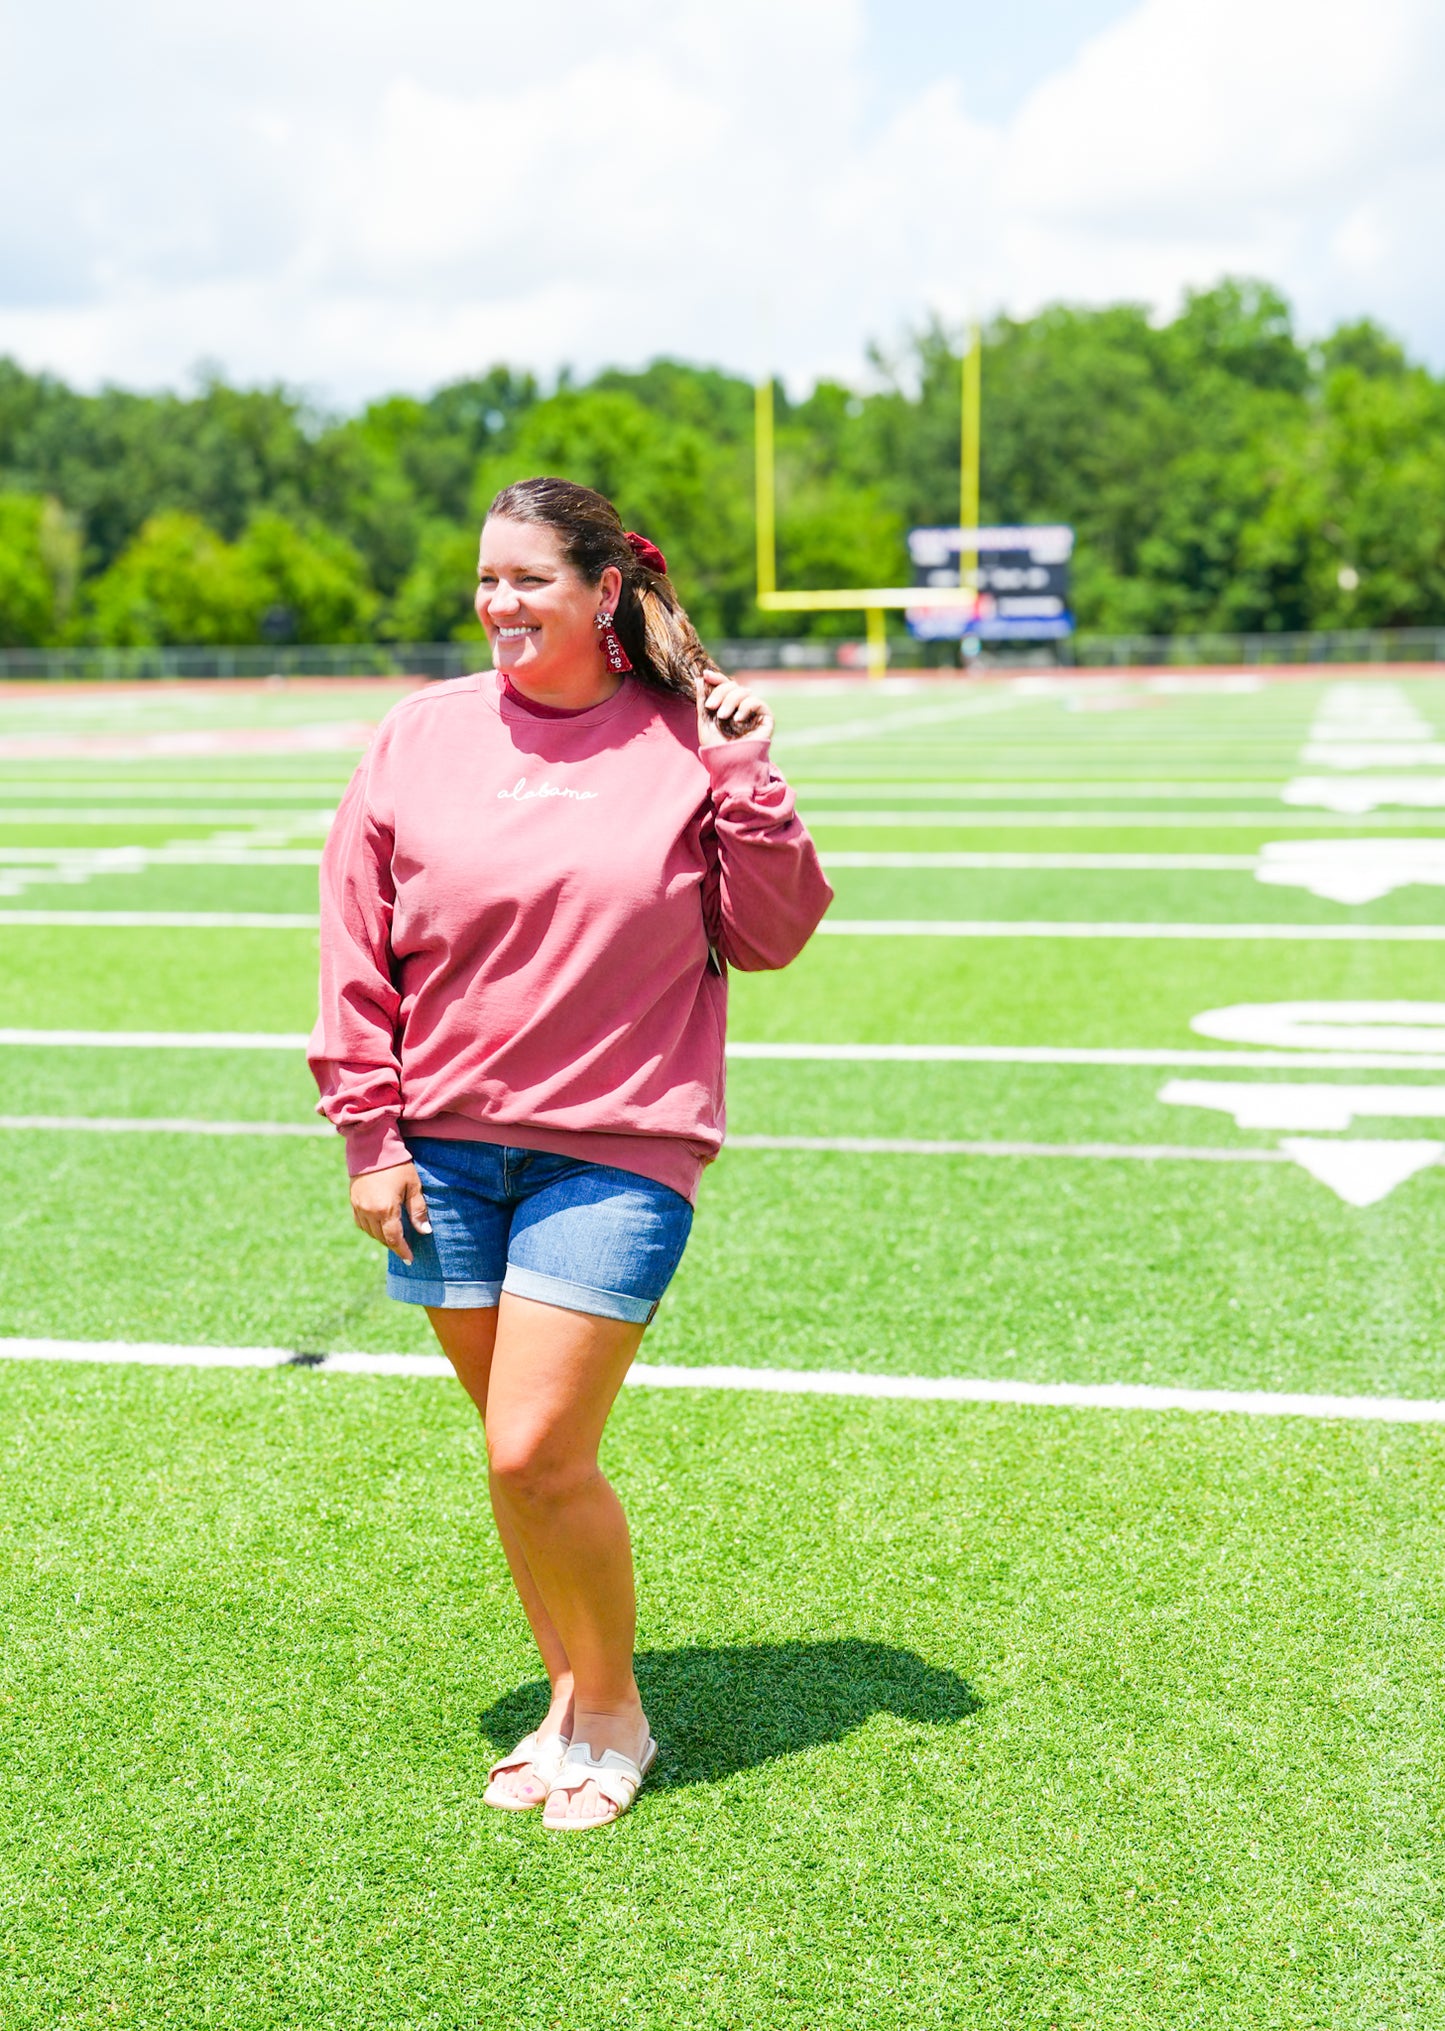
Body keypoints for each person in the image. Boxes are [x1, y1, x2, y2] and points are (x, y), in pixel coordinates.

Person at [308, 477, 832, 1832]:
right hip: (442, 1150)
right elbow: (355, 948)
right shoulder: (416, 736)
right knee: (508, 1457)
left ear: (604, 592)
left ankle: (615, 1715)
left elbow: (773, 934)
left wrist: (746, 775)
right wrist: (370, 1132)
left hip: (619, 1148)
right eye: (485, 579)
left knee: (538, 1447)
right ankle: (567, 1697)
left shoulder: (684, 737)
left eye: (527, 579)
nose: (497, 603)